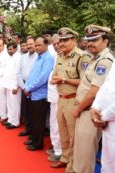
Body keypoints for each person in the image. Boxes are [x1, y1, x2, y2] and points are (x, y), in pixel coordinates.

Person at [73, 25, 114, 173]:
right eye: (88, 40)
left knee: (85, 153)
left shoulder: (105, 60)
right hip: (84, 110)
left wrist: (78, 108)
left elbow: (94, 92)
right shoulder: (94, 58)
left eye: (95, 39)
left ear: (106, 41)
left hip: (90, 111)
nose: (90, 43)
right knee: (80, 150)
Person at [50, 27, 90, 172]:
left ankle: (72, 166)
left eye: (65, 40)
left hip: (73, 100)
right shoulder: (60, 55)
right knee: (63, 132)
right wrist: (54, 80)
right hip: (60, 99)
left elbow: (86, 82)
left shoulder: (82, 56)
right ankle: (65, 158)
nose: (61, 43)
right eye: (60, 40)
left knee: (74, 136)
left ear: (74, 40)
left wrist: (64, 79)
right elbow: (55, 74)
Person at [23, 37, 54, 151]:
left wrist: (29, 88)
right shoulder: (39, 57)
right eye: (36, 45)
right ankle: (33, 138)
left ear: (46, 45)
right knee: (33, 119)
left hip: (40, 94)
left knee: (39, 121)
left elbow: (43, 78)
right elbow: (32, 74)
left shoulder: (48, 58)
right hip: (32, 93)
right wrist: (27, 88)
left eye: (39, 45)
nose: (37, 47)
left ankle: (38, 143)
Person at [91, 56, 115, 173]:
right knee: (107, 164)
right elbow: (105, 86)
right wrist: (95, 107)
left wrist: (102, 117)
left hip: (108, 119)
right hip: (106, 123)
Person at [18, 36, 38, 137]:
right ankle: (27, 128)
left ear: (35, 44)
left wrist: (29, 87)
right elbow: (19, 73)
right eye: (28, 44)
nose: (29, 46)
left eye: (31, 44)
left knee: (33, 111)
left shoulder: (38, 57)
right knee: (25, 110)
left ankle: (34, 132)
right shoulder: (23, 57)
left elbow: (38, 75)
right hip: (24, 85)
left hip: (34, 87)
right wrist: (24, 87)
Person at [46, 34, 62, 161]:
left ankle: (60, 151)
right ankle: (55, 146)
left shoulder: (68, 57)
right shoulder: (56, 56)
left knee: (59, 124)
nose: (56, 46)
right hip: (53, 97)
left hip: (61, 97)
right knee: (53, 123)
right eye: (54, 44)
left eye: (58, 43)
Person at [0, 42, 21, 129]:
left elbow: (18, 74)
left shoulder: (18, 58)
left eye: (11, 49)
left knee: (15, 105)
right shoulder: (10, 58)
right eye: (8, 49)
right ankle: (10, 120)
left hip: (14, 86)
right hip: (8, 85)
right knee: (10, 104)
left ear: (15, 49)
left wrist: (16, 87)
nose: (9, 51)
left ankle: (15, 122)